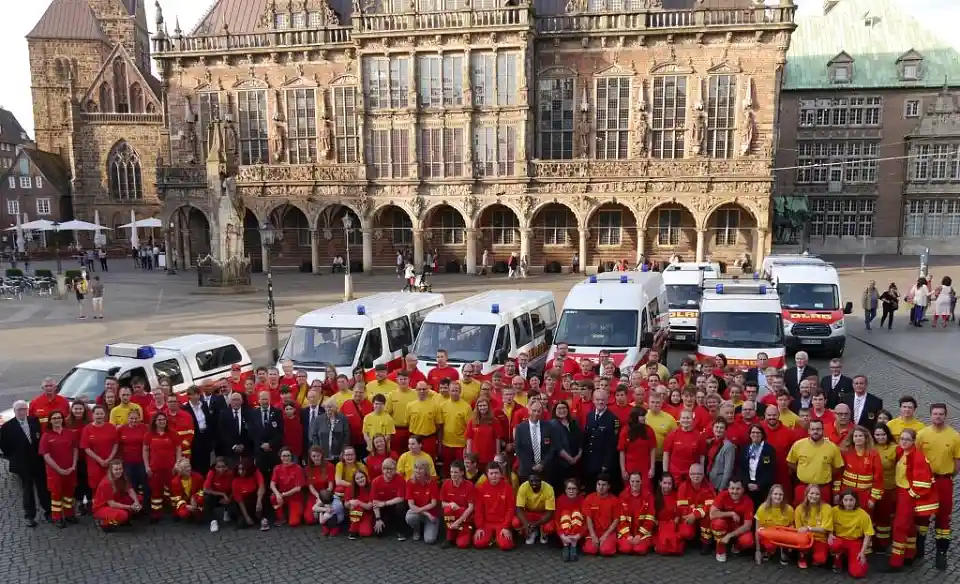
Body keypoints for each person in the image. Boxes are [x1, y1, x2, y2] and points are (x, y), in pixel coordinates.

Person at [888, 428, 939, 571]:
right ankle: (909, 554)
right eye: (902, 439)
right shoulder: (902, 453)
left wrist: (911, 493)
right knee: (909, 526)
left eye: (907, 439)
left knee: (900, 525)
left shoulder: (917, 457)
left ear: (913, 442)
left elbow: (923, 481)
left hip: (906, 494)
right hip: (900, 492)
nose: (904, 441)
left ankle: (896, 561)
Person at [916, 403, 960, 570]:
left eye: (941, 414)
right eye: (935, 414)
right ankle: (919, 546)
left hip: (943, 482)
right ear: (930, 415)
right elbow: (915, 458)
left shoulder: (955, 436)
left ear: (946, 415)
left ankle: (941, 553)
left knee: (943, 517)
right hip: (925, 482)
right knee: (922, 515)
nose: (938, 417)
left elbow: (957, 462)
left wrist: (946, 476)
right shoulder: (922, 435)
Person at [0, 400, 50, 527]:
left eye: (24, 409)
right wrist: (16, 457)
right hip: (22, 463)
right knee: (27, 489)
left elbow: (39, 439)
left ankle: (48, 511)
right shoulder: (7, 427)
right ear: (14, 411)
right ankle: (30, 515)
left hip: (37, 461)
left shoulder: (34, 421)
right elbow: (5, 446)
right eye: (19, 409)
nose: (22, 412)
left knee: (43, 488)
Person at [786, 419, 843, 505]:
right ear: (809, 431)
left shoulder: (832, 447)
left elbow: (838, 467)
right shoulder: (798, 445)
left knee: (823, 514)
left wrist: (825, 473)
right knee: (801, 514)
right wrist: (802, 470)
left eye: (818, 429)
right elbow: (790, 462)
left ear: (823, 430)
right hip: (803, 487)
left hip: (823, 488)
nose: (815, 431)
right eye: (813, 429)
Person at [39, 411, 79, 527]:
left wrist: (73, 465)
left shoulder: (70, 433)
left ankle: (69, 514)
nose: (57, 420)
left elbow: (75, 449)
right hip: (54, 472)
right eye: (54, 418)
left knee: (69, 493)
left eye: (59, 418)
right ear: (50, 421)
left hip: (70, 470)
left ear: (63, 419)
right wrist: (59, 469)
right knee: (56, 494)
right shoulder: (46, 436)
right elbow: (46, 455)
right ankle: (56, 517)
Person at [143, 412, 180, 521]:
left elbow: (178, 449)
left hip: (171, 467)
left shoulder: (173, 433)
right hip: (155, 467)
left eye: (163, 419)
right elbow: (145, 451)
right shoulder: (149, 434)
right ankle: (156, 512)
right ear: (154, 421)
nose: (162, 421)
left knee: (173, 489)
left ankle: (175, 511)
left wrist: (177, 464)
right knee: (156, 490)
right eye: (159, 420)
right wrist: (147, 467)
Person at [709, 477, 755, 563]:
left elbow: (747, 526)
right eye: (732, 488)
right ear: (728, 488)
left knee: (748, 541)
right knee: (718, 524)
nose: (734, 491)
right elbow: (712, 515)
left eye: (738, 489)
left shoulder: (748, 501)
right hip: (724, 525)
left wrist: (729, 535)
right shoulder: (723, 495)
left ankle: (736, 546)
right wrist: (731, 513)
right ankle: (720, 550)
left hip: (738, 528)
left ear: (743, 489)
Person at [830, 489, 873, 578]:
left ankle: (854, 561)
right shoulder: (834, 511)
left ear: (856, 501)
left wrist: (862, 552)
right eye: (845, 500)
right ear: (841, 500)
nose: (848, 503)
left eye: (851, 500)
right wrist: (830, 534)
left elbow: (868, 534)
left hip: (854, 542)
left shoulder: (863, 515)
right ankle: (837, 560)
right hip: (839, 540)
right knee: (834, 544)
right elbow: (828, 525)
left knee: (858, 573)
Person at [581, 390, 619, 492]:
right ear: (593, 400)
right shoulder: (590, 416)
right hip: (589, 461)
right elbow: (588, 438)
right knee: (589, 489)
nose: (600, 402)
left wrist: (606, 464)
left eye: (603, 400)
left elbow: (612, 445)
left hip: (602, 462)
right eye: (597, 400)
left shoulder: (613, 419)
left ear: (607, 401)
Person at [473, 462, 515, 550]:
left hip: (502, 523)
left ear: (500, 474)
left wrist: (506, 527)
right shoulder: (482, 488)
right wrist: (479, 527)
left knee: (506, 546)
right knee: (479, 543)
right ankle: (493, 537)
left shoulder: (508, 488)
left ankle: (497, 537)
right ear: (487, 475)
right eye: (491, 473)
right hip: (486, 523)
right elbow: (478, 510)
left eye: (496, 473)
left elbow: (510, 509)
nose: (494, 476)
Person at [92, 459, 141, 530]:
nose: (118, 471)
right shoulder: (106, 483)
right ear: (111, 470)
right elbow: (111, 504)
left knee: (139, 498)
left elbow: (130, 490)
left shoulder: (123, 477)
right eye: (116, 469)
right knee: (123, 515)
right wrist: (130, 507)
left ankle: (123, 519)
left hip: (116, 500)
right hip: (102, 507)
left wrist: (137, 502)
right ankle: (103, 522)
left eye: (120, 469)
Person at [677, 463, 717, 551]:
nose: (696, 476)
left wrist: (695, 514)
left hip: (703, 517)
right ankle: (692, 539)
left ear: (703, 475)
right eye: (693, 474)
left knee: (709, 517)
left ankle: (706, 542)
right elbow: (681, 507)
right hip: (688, 515)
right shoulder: (683, 487)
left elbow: (710, 507)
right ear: (689, 474)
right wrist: (693, 513)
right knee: (686, 533)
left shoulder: (709, 487)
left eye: (699, 474)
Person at [514, 400, 558, 480]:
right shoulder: (520, 428)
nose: (536, 413)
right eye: (534, 410)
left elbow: (553, 447)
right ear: (529, 410)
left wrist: (542, 464)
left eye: (539, 411)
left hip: (545, 470)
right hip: (527, 470)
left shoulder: (548, 426)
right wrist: (532, 465)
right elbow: (518, 449)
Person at [80, 405, 118, 495]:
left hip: (110, 463)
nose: (99, 416)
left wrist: (109, 459)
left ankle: (109, 507)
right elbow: (86, 448)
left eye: (101, 414)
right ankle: (96, 507)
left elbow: (116, 444)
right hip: (94, 464)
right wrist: (100, 460)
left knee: (110, 486)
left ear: (105, 415)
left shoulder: (111, 427)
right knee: (95, 488)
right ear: (92, 415)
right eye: (97, 414)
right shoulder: (87, 429)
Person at [794, 484, 833, 569]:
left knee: (820, 559)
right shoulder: (799, 509)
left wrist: (809, 528)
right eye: (811, 493)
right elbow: (799, 529)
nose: (814, 496)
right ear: (806, 494)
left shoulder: (826, 508)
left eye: (817, 494)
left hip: (820, 538)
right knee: (801, 539)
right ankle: (802, 557)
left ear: (820, 496)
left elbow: (825, 529)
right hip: (805, 537)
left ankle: (814, 555)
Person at [754, 484, 795, 565]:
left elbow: (792, 526)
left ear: (783, 496)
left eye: (780, 494)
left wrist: (791, 541)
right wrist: (757, 551)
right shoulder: (762, 508)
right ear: (771, 495)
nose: (778, 496)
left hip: (783, 535)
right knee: (769, 546)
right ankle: (768, 551)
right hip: (768, 536)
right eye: (775, 494)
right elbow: (757, 531)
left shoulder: (789, 509)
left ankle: (784, 551)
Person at [618, 471, 655, 555]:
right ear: (629, 482)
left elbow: (650, 518)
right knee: (626, 549)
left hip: (643, 533)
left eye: (637, 481)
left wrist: (639, 535)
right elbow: (621, 518)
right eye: (632, 481)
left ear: (641, 481)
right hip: (627, 532)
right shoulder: (623, 495)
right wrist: (628, 536)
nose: (635, 484)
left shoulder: (648, 496)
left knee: (640, 549)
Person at [440, 460, 476, 548]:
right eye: (451, 472)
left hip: (464, 517)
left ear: (462, 473)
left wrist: (457, 522)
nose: (453, 474)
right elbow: (441, 504)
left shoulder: (469, 485)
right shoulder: (446, 484)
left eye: (456, 472)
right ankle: (449, 537)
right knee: (448, 509)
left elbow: (471, 508)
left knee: (463, 544)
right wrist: (450, 504)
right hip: (451, 518)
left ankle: (464, 531)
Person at [371, 458, 408, 540]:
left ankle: (401, 530)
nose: (388, 471)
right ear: (382, 469)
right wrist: (378, 519)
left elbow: (401, 498)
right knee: (378, 533)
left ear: (395, 469)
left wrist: (385, 503)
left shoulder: (400, 479)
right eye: (385, 469)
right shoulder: (375, 482)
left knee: (400, 506)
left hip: (395, 506)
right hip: (383, 509)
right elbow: (375, 502)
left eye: (391, 469)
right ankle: (389, 522)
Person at [513, 473, 556, 545]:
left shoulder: (549, 488)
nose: (534, 483)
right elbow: (518, 508)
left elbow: (550, 512)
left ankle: (543, 531)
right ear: (528, 480)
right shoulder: (523, 487)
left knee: (549, 528)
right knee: (515, 522)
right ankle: (532, 530)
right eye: (531, 481)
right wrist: (526, 524)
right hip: (529, 513)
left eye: (537, 480)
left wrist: (535, 524)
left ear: (541, 480)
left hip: (543, 514)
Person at [405, 459, 440, 543]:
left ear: (426, 471)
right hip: (420, 512)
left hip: (432, 513)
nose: (418, 470)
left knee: (430, 540)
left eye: (421, 468)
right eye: (416, 468)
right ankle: (417, 530)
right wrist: (427, 514)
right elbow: (411, 505)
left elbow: (433, 503)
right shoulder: (410, 482)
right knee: (410, 517)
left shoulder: (432, 482)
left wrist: (427, 513)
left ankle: (429, 526)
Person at [269, 447, 305, 527]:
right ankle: (281, 518)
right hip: (283, 495)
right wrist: (277, 494)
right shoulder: (277, 468)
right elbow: (272, 484)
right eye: (284, 456)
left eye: (288, 456)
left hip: (295, 496)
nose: (286, 458)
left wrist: (282, 495)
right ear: (280, 457)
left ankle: (297, 512)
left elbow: (298, 488)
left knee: (294, 523)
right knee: (273, 498)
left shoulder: (298, 468)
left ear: (291, 456)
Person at [232, 457, 267, 530]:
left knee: (262, 502)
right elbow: (239, 500)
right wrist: (246, 516)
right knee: (241, 523)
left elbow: (261, 486)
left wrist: (259, 501)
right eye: (239, 469)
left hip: (255, 497)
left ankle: (261, 517)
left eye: (243, 469)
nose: (240, 472)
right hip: (245, 502)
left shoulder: (254, 472)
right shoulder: (235, 481)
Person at [310, 398, 349, 463]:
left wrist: (343, 451)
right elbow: (314, 435)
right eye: (327, 407)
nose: (328, 409)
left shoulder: (342, 418)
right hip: (323, 454)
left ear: (336, 408)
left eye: (331, 407)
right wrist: (317, 450)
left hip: (338, 453)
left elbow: (346, 436)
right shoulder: (319, 419)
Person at [202, 457, 234, 533]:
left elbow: (234, 488)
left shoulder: (231, 474)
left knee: (234, 514)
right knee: (207, 499)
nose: (221, 469)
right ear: (215, 467)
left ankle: (227, 511)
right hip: (215, 495)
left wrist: (229, 498)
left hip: (228, 495)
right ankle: (213, 521)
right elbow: (205, 490)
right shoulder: (211, 473)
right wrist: (222, 494)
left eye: (223, 467)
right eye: (218, 467)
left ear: (227, 467)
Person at [345, 470, 374, 539]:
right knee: (357, 508)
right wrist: (350, 503)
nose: (360, 480)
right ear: (354, 481)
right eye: (357, 479)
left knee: (365, 533)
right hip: (355, 512)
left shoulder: (372, 487)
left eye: (362, 477)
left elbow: (369, 506)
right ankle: (352, 531)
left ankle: (357, 527)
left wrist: (358, 502)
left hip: (367, 514)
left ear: (366, 477)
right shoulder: (350, 488)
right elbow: (345, 504)